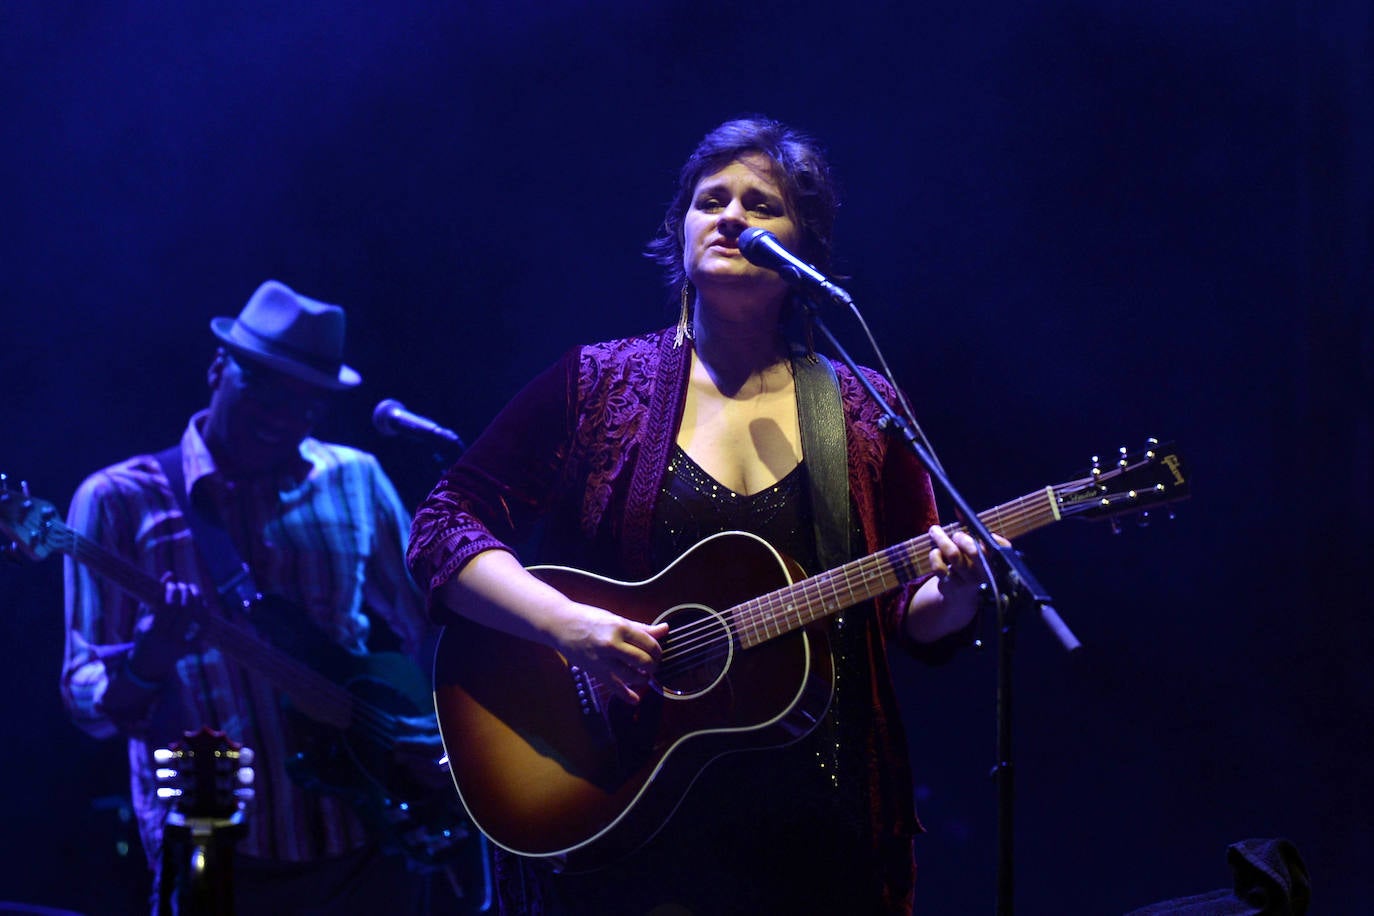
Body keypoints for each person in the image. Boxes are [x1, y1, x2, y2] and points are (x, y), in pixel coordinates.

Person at [406, 117, 992, 915]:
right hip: (627, 804)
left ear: (804, 250)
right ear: (680, 229)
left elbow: (905, 611)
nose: (730, 217)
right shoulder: (600, 382)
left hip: (816, 820)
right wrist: (565, 624)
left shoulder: (862, 405)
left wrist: (953, 594)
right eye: (709, 200)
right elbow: (444, 525)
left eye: (761, 205)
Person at [60, 281, 462, 914]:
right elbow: (87, 698)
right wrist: (150, 656)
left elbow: (432, 628)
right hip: (213, 848)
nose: (285, 413)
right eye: (266, 387)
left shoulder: (354, 479)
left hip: (372, 839)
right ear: (218, 367)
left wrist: (437, 739)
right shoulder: (118, 500)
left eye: (308, 401)